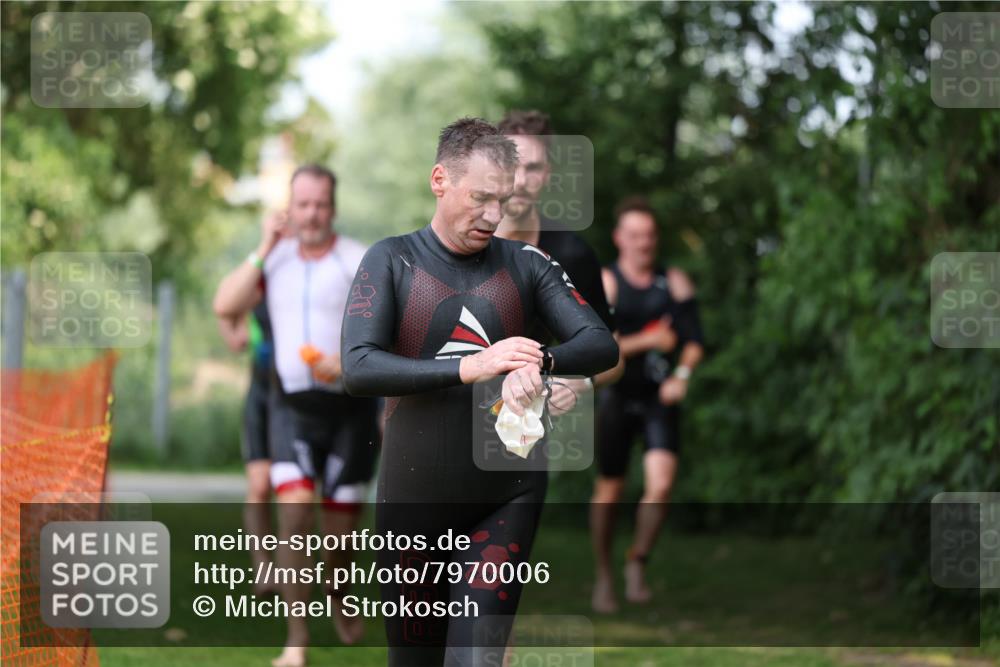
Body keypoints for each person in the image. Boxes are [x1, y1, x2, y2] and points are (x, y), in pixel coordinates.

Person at [341, 118, 618, 666]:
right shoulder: (392, 260)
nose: (494, 216)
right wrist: (473, 366)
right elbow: (358, 366)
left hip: (506, 494)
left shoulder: (528, 264)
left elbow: (600, 344)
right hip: (414, 498)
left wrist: (539, 362)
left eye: (503, 200)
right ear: (440, 180)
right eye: (481, 198)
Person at [213, 164, 379, 667]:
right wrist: (264, 246)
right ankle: (297, 640)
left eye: (320, 205)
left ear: (334, 208)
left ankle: (338, 589)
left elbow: (390, 330)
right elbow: (224, 304)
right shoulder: (275, 260)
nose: (311, 214)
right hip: (291, 410)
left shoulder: (357, 260)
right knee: (295, 513)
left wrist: (348, 362)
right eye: (303, 204)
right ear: (290, 207)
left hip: (350, 411)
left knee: (339, 538)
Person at [590, 196, 705, 613]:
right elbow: (598, 348)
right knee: (610, 490)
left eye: (650, 235)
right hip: (617, 397)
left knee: (661, 486)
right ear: (620, 238)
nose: (644, 242)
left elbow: (694, 341)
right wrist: (649, 340)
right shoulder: (607, 282)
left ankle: (636, 560)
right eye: (635, 235)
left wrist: (682, 375)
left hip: (659, 397)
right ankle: (604, 576)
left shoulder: (673, 281)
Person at [494, 109, 624, 413]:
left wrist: (582, 383)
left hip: (522, 423)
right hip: (445, 414)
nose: (521, 181)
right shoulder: (460, 240)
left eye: (533, 168)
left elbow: (614, 356)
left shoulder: (571, 255)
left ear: (547, 173)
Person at [216, 302, 283, 596]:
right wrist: (235, 331)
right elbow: (225, 312)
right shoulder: (255, 285)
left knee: (293, 488)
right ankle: (263, 568)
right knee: (259, 484)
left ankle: (292, 566)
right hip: (261, 393)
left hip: (296, 400)